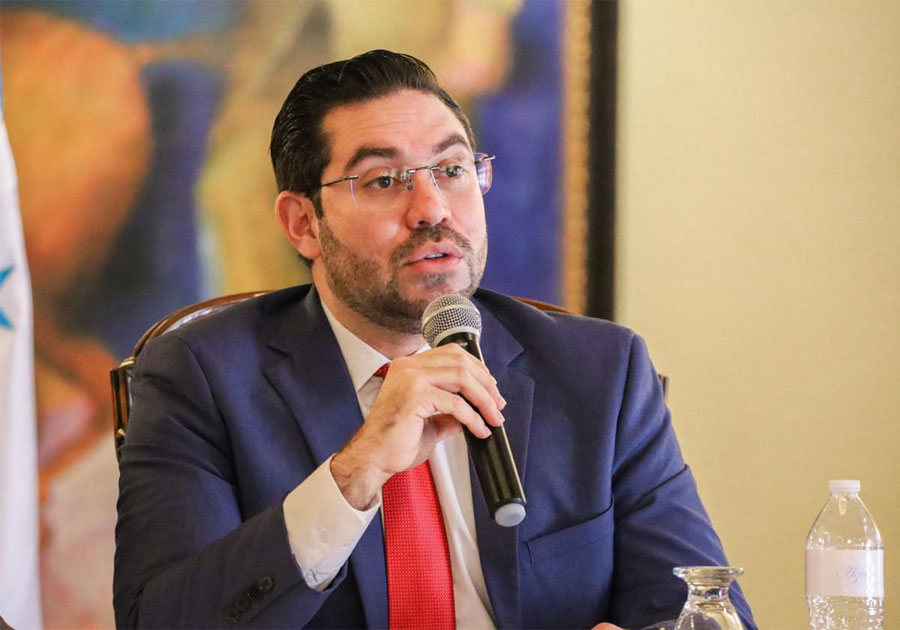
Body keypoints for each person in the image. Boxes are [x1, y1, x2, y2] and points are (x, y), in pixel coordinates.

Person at [114, 50, 756, 630]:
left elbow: (702, 608)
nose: (432, 209)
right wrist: (355, 472)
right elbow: (162, 621)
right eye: (383, 180)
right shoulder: (203, 374)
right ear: (304, 223)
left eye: (451, 169)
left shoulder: (600, 371)